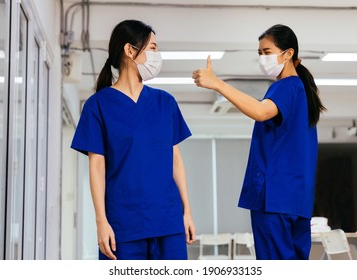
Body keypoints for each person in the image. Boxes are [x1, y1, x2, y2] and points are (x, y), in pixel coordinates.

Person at [192, 24, 326, 260]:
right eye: (259, 54)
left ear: (288, 54)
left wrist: (218, 84)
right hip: (297, 201)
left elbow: (261, 112)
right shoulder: (303, 92)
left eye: (267, 52)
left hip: (274, 199)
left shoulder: (285, 87)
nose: (262, 58)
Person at [71, 19, 196, 260]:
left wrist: (187, 211)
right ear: (130, 50)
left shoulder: (165, 102)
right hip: (123, 227)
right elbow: (97, 166)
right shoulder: (98, 105)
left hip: (168, 224)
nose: (157, 55)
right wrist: (101, 222)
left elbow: (176, 161)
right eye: (153, 48)